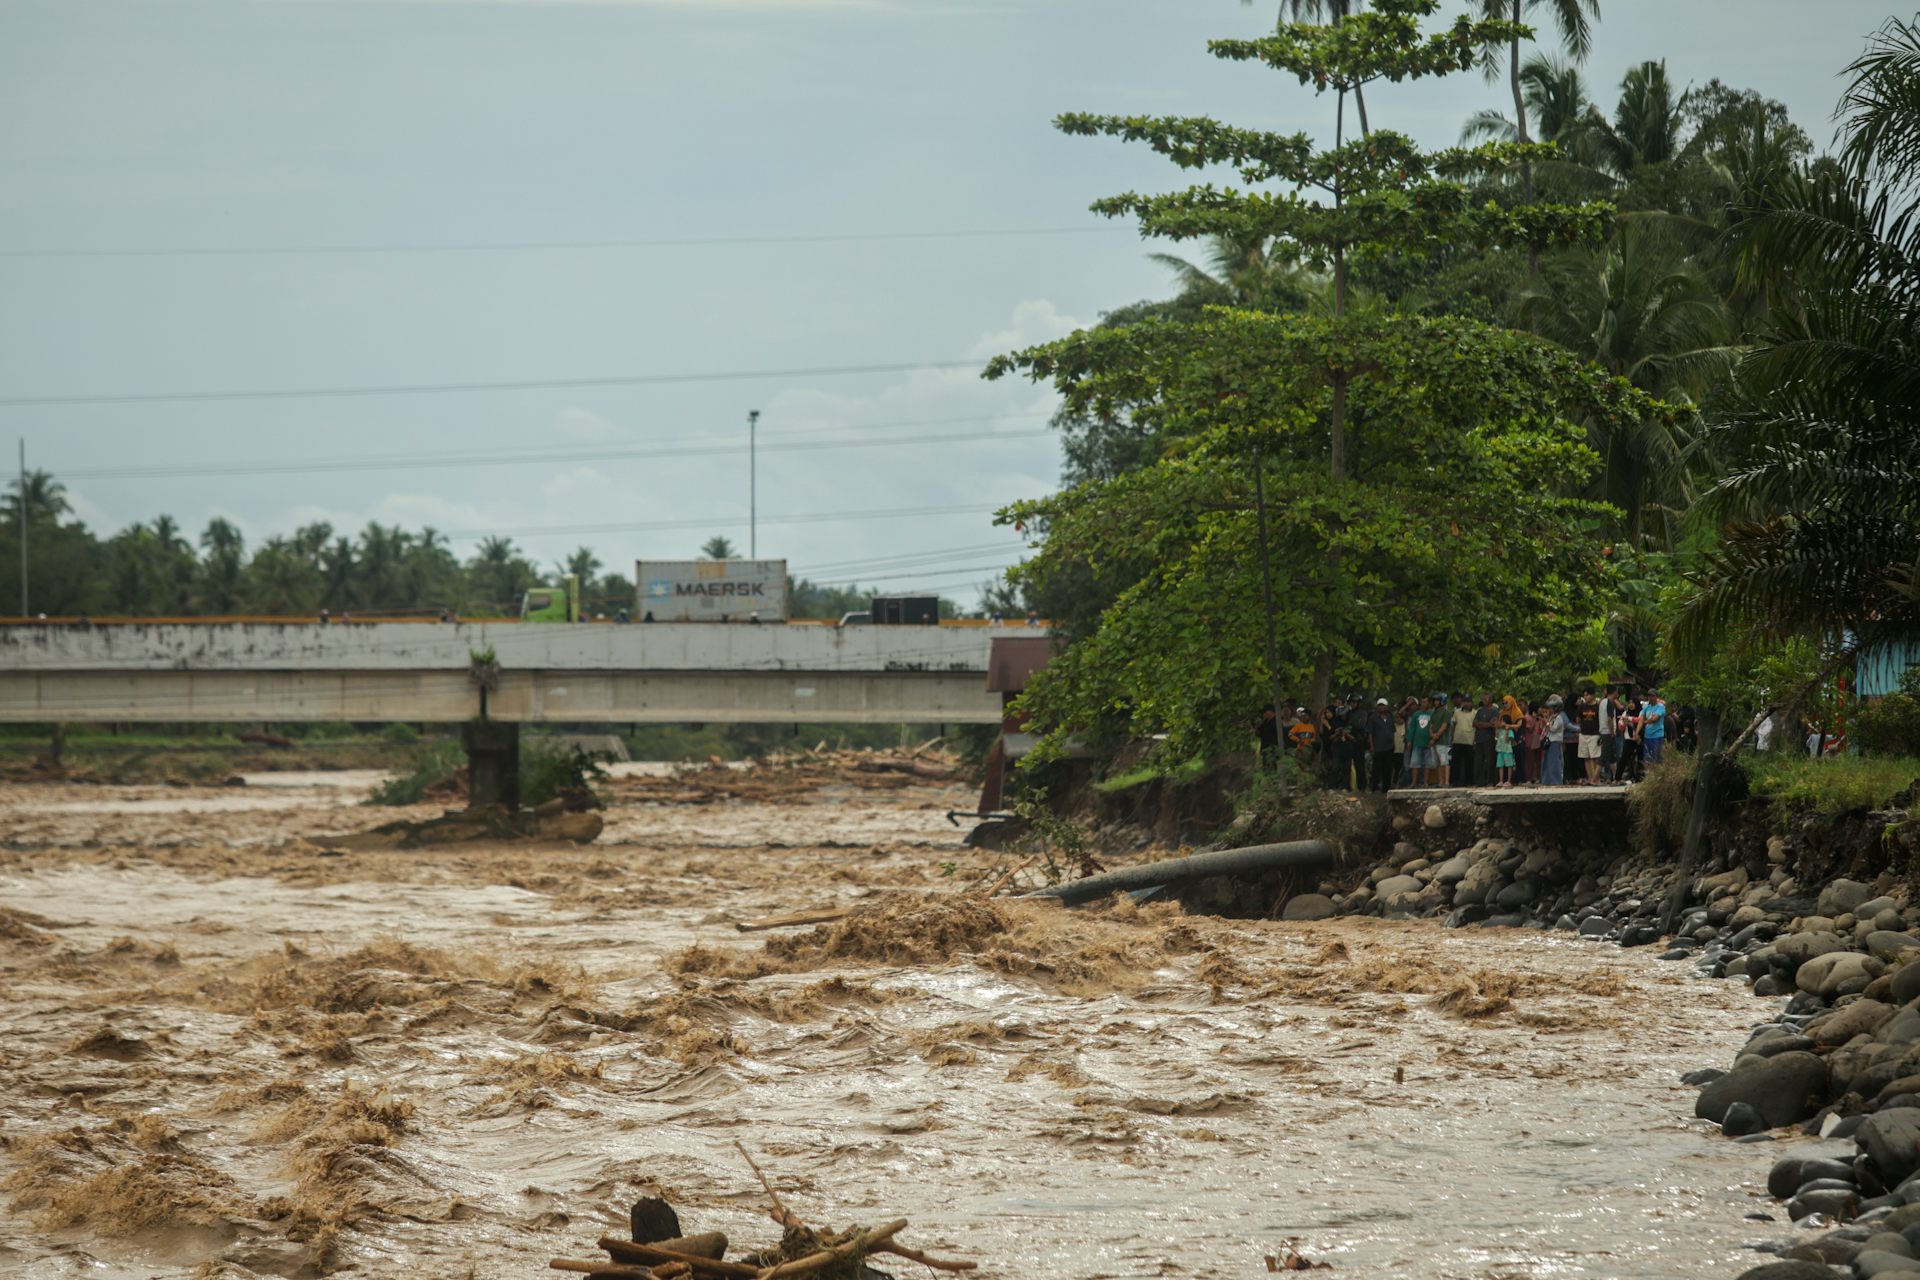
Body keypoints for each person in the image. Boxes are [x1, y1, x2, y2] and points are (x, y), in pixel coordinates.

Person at [1407, 696, 1437, 786]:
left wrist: (1433, 739)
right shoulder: (1416, 714)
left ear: (1429, 703)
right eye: (1422, 702)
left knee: (1427, 764)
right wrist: (1410, 740)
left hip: (1428, 743)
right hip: (1417, 742)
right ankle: (1413, 782)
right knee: (1414, 763)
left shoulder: (1432, 713)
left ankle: (1425, 782)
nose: (1424, 704)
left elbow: (1435, 726)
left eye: (1425, 702)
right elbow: (1412, 728)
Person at [1368, 697, 1395, 792]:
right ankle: (1374, 787)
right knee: (1376, 769)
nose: (1382, 708)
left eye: (1383, 706)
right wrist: (1371, 746)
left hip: (1389, 747)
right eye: (1380, 706)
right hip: (1378, 747)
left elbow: (1393, 732)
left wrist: (1393, 745)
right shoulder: (1373, 718)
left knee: (1387, 769)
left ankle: (1386, 788)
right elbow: (1370, 733)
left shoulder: (1390, 718)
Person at [1575, 688, 1602, 785]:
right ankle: (1590, 778)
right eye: (1584, 695)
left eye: (1587, 695)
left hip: (1594, 734)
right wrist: (1579, 728)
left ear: (1593, 695)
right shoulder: (1582, 707)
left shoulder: (1598, 707)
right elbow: (1578, 718)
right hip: (1583, 734)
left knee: (1595, 757)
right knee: (1585, 757)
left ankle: (1596, 778)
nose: (1586, 697)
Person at [1472, 693, 1499, 787]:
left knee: (1490, 760)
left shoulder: (1495, 711)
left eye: (1485, 698)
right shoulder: (1480, 711)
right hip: (1479, 739)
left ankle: (1490, 781)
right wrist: (1486, 724)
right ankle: (1479, 781)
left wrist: (1482, 724)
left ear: (1490, 699)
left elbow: (1493, 724)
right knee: (1478, 761)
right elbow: (1474, 723)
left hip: (1489, 738)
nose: (1483, 699)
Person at [1451, 692, 1477, 788]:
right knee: (1456, 763)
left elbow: (1476, 727)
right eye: (1465, 701)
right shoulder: (1457, 712)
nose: (1466, 704)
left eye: (1468, 702)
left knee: (1469, 763)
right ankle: (1455, 782)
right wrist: (1452, 737)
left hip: (1469, 740)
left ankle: (1469, 782)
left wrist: (1475, 741)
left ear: (1472, 703)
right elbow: (1454, 725)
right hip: (1457, 740)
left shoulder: (1475, 713)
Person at [1540, 696, 1568, 785]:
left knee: (1554, 763)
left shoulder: (1559, 718)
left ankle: (1555, 781)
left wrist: (1546, 722)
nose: (1550, 710)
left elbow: (1553, 728)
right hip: (1549, 741)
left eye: (1551, 708)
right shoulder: (1552, 717)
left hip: (1555, 742)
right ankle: (1547, 781)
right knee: (1547, 762)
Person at [1427, 692, 1453, 787]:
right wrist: (1431, 735)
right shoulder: (1434, 712)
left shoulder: (1446, 712)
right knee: (1437, 762)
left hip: (1443, 741)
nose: (1435, 702)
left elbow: (1444, 726)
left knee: (1444, 761)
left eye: (1437, 700)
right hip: (1434, 740)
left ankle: (1446, 782)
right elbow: (1431, 725)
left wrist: (1436, 736)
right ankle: (1440, 781)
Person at [1521, 700, 1546, 785]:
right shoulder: (1527, 718)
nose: (1540, 710)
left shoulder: (1539, 718)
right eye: (1538, 708)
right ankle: (1528, 778)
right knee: (1529, 761)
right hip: (1529, 742)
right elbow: (1530, 730)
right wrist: (1535, 720)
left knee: (1538, 761)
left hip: (1538, 741)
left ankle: (1538, 777)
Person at [1642, 689, 1668, 765]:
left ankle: (1657, 774)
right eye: (1649, 696)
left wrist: (1645, 721)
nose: (1650, 697)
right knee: (1647, 758)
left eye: (1652, 696)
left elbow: (1654, 719)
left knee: (1657, 757)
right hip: (1647, 736)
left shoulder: (1661, 707)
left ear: (1657, 697)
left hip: (1657, 735)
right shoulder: (1646, 707)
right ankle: (1649, 775)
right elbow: (1641, 718)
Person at [1494, 717, 1516, 788]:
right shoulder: (1500, 730)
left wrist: (1507, 730)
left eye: (1502, 721)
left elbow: (1507, 740)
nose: (1501, 722)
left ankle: (1509, 781)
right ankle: (1501, 781)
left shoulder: (1510, 731)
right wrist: (1496, 728)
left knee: (1509, 765)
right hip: (1500, 750)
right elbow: (1496, 737)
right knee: (1500, 766)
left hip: (1507, 750)